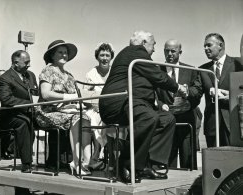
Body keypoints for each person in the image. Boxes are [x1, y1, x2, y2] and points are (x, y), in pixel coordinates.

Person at [99, 30, 188, 183]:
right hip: (117, 102)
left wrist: (160, 104)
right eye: (153, 44)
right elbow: (157, 76)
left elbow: (146, 86)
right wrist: (179, 87)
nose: (154, 49)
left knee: (166, 119)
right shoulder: (135, 51)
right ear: (144, 43)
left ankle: (145, 164)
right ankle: (126, 162)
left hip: (134, 103)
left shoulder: (137, 59)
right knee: (148, 117)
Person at [35, 40, 91, 175]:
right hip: (47, 112)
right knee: (77, 118)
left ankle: (86, 161)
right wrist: (68, 98)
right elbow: (45, 94)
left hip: (68, 111)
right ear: (52, 55)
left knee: (86, 118)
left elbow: (77, 95)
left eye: (65, 52)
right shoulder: (48, 71)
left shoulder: (70, 76)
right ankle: (76, 162)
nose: (64, 55)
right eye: (60, 52)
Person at [190, 33, 243, 147]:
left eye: (208, 45)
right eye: (204, 46)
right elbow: (196, 91)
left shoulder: (238, 64)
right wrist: (186, 91)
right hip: (212, 126)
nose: (205, 49)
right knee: (214, 163)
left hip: (235, 123)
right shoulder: (202, 69)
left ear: (220, 45)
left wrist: (232, 96)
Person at [156, 39, 200, 169]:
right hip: (166, 123)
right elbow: (151, 94)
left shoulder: (190, 70)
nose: (169, 54)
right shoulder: (156, 71)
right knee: (168, 164)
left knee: (189, 163)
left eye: (173, 51)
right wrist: (160, 105)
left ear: (180, 52)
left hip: (187, 123)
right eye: (166, 51)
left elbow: (197, 92)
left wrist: (188, 97)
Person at [0, 50, 38, 173]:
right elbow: (6, 99)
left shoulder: (31, 75)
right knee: (24, 123)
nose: (29, 65)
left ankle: (54, 161)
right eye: (26, 62)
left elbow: (36, 93)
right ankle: (26, 163)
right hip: (10, 116)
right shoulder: (4, 78)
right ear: (15, 63)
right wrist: (29, 104)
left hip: (30, 113)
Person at [85, 42, 114, 170]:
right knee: (92, 117)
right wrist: (94, 103)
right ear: (97, 57)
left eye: (107, 55)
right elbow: (85, 94)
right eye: (102, 55)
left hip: (112, 106)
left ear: (111, 57)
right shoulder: (91, 73)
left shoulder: (115, 72)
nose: (105, 58)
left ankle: (111, 158)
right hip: (95, 106)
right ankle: (96, 155)